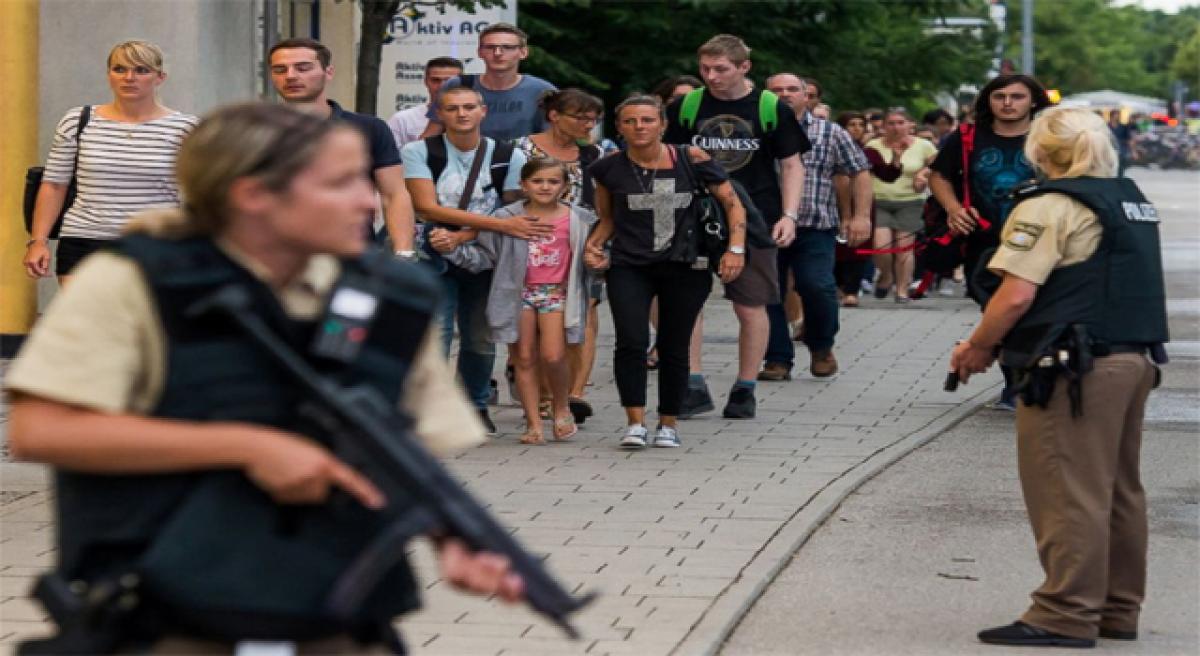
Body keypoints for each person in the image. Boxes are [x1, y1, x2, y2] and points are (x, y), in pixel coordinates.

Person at [5, 102, 523, 653]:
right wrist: (246, 446)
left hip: (337, 605)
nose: (367, 200)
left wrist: (450, 533)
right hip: (169, 608)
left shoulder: (389, 296)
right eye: (340, 182)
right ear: (254, 195)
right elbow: (42, 431)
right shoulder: (133, 280)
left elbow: (403, 442)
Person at [950, 106, 1168, 649]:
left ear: (1042, 151)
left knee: (1067, 490)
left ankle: (1065, 611)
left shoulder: (1050, 204)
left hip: (1072, 367)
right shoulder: (1129, 199)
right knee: (1118, 490)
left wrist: (978, 347)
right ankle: (1116, 607)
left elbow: (1017, 292)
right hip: (1132, 358)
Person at [586, 95, 747, 449]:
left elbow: (732, 205)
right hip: (629, 264)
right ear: (620, 127)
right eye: (630, 121)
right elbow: (608, 219)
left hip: (684, 264)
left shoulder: (692, 159)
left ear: (662, 124)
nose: (639, 127)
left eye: (646, 120)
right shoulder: (607, 168)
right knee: (630, 341)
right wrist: (593, 247)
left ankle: (669, 422)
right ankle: (635, 422)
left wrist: (735, 249)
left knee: (675, 344)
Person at [663, 34, 808, 419]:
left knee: (750, 305)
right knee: (687, 303)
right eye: (705, 68)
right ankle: (692, 383)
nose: (711, 76)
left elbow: (792, 164)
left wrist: (789, 215)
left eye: (721, 69)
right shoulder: (687, 106)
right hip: (693, 216)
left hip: (756, 214)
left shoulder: (769, 107)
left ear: (744, 68)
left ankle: (745, 388)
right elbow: (668, 159)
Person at [402, 85, 533, 434]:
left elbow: (514, 210)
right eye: (453, 108)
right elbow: (425, 206)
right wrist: (496, 225)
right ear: (439, 114)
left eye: (469, 107)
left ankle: (474, 405)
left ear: (483, 111)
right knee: (437, 333)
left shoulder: (508, 154)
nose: (462, 114)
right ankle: (430, 407)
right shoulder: (418, 151)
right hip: (431, 249)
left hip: (484, 254)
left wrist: (463, 234)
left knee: (479, 336)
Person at [436, 158, 594, 444]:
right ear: (523, 185)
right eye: (537, 181)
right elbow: (485, 257)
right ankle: (533, 424)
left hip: (556, 293)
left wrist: (598, 262)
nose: (545, 187)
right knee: (523, 357)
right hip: (516, 294)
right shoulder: (505, 217)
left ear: (565, 186)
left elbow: (592, 259)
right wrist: (451, 250)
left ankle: (560, 408)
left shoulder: (579, 219)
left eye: (553, 181)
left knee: (554, 355)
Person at [23, 40, 198, 283]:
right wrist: (38, 241)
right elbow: (54, 184)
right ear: (109, 75)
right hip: (85, 238)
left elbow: (194, 193)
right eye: (119, 69)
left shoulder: (185, 128)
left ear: (160, 77)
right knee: (88, 319)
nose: (129, 77)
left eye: (141, 70)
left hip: (157, 242)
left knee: (146, 320)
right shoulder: (78, 120)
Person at [931, 73, 1051, 410]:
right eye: (1000, 97)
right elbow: (938, 176)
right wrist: (954, 209)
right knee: (996, 313)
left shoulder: (1049, 139)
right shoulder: (968, 137)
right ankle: (1015, 382)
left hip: (1038, 243)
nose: (1008, 104)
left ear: (1033, 102)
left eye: (1017, 97)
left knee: (1034, 312)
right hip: (984, 244)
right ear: (989, 101)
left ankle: (1028, 381)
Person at [759, 73, 871, 381]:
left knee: (816, 286)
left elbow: (860, 170)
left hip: (815, 225)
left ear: (808, 96)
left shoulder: (830, 132)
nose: (785, 95)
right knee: (768, 292)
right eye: (776, 90)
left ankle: (821, 345)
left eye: (793, 89)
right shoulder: (755, 130)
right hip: (763, 226)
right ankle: (777, 358)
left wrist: (860, 215)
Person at [268, 38, 416, 256]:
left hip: (353, 254)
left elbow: (394, 194)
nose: (290, 76)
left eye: (303, 68)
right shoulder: (255, 130)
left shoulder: (369, 128)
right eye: (280, 69)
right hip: (276, 254)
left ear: (328, 72)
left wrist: (403, 253)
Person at [511, 89, 607, 422]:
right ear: (555, 115)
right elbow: (510, 195)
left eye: (593, 118)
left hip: (583, 240)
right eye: (580, 117)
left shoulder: (595, 153)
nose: (588, 124)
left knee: (584, 312)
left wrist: (599, 241)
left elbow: (604, 203)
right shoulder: (522, 148)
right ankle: (541, 394)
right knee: (535, 324)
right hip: (534, 240)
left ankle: (574, 394)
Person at [424, 23, 556, 142]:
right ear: (479, 52)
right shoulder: (457, 85)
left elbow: (555, 140)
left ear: (523, 52)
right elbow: (431, 134)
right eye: (490, 47)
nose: (498, 53)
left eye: (507, 47)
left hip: (523, 166)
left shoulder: (542, 90)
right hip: (465, 165)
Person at [864, 107, 937, 303]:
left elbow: (938, 165)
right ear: (883, 126)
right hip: (879, 200)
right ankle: (887, 275)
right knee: (881, 247)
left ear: (910, 125)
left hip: (910, 201)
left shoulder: (923, 145)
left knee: (904, 247)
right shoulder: (874, 145)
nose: (896, 127)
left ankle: (902, 289)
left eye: (900, 123)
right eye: (891, 123)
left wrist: (923, 174)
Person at [832, 111, 874, 307]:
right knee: (837, 248)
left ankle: (852, 289)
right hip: (835, 205)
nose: (857, 129)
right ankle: (839, 285)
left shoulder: (869, 151)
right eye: (852, 124)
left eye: (860, 124)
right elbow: (840, 179)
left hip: (862, 205)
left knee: (859, 247)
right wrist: (847, 214)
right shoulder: (835, 147)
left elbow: (886, 172)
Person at [387, 56, 463, 149]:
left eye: (450, 81)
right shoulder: (402, 120)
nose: (443, 86)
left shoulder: (477, 116)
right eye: (436, 80)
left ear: (462, 82)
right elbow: (391, 160)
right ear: (426, 81)